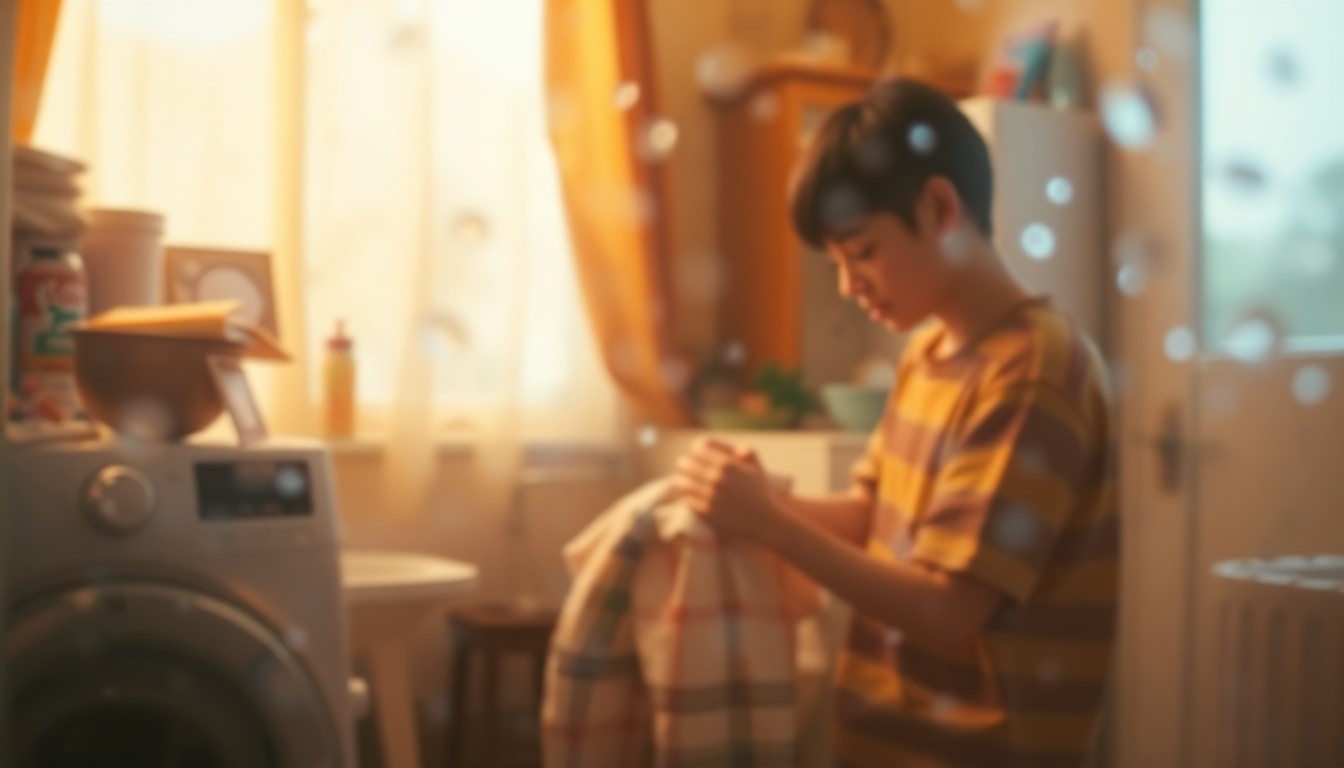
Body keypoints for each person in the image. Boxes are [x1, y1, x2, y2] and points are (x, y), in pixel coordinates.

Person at [672, 78, 1118, 768]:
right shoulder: (927, 352)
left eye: (863, 253)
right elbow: (872, 514)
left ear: (940, 207)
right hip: (886, 741)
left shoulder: (1033, 371)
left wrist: (768, 522)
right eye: (839, 262)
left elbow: (948, 611)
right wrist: (759, 498)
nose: (850, 287)